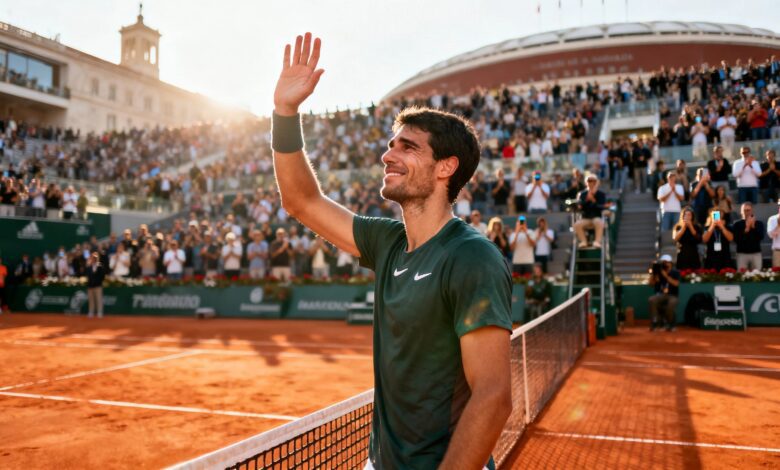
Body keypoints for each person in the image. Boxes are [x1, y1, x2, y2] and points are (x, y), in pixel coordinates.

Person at [272, 33, 512, 470]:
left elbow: (494, 397)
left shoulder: (472, 257)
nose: (388, 155)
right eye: (391, 144)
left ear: (445, 168)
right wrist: (286, 113)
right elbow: (300, 201)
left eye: (408, 147)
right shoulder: (387, 242)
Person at [648, 254, 680, 332]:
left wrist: (666, 276)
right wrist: (654, 274)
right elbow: (650, 284)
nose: (666, 264)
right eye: (664, 262)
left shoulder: (675, 272)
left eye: (667, 262)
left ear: (671, 263)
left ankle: (671, 324)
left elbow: (676, 284)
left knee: (671, 304)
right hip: (660, 295)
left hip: (672, 295)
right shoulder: (659, 272)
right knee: (652, 300)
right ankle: (655, 323)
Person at [574, 174, 606, 248]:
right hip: (586, 218)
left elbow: (601, 207)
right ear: (586, 182)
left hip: (596, 217)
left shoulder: (601, 194)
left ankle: (597, 242)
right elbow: (581, 207)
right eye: (589, 180)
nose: (591, 183)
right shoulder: (582, 194)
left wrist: (593, 201)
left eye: (593, 181)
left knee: (599, 222)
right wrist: (588, 200)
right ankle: (583, 241)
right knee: (577, 224)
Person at [732, 202, 765, 271]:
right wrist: (747, 228)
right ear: (741, 211)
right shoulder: (737, 224)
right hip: (742, 254)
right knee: (741, 276)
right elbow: (736, 239)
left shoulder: (759, 223)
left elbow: (761, 237)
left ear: (752, 210)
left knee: (757, 275)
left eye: (748, 210)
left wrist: (753, 227)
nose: (746, 212)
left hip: (756, 253)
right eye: (744, 210)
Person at [86, 252, 106, 318]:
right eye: (93, 257)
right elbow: (87, 275)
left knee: (99, 299)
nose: (94, 258)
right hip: (90, 286)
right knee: (91, 300)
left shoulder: (100, 266)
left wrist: (98, 282)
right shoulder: (89, 266)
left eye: (95, 257)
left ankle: (99, 312)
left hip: (98, 285)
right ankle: (91, 312)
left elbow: (102, 276)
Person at [767, 200, 780, 268]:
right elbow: (771, 236)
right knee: (777, 275)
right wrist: (778, 225)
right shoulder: (772, 219)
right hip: (777, 252)